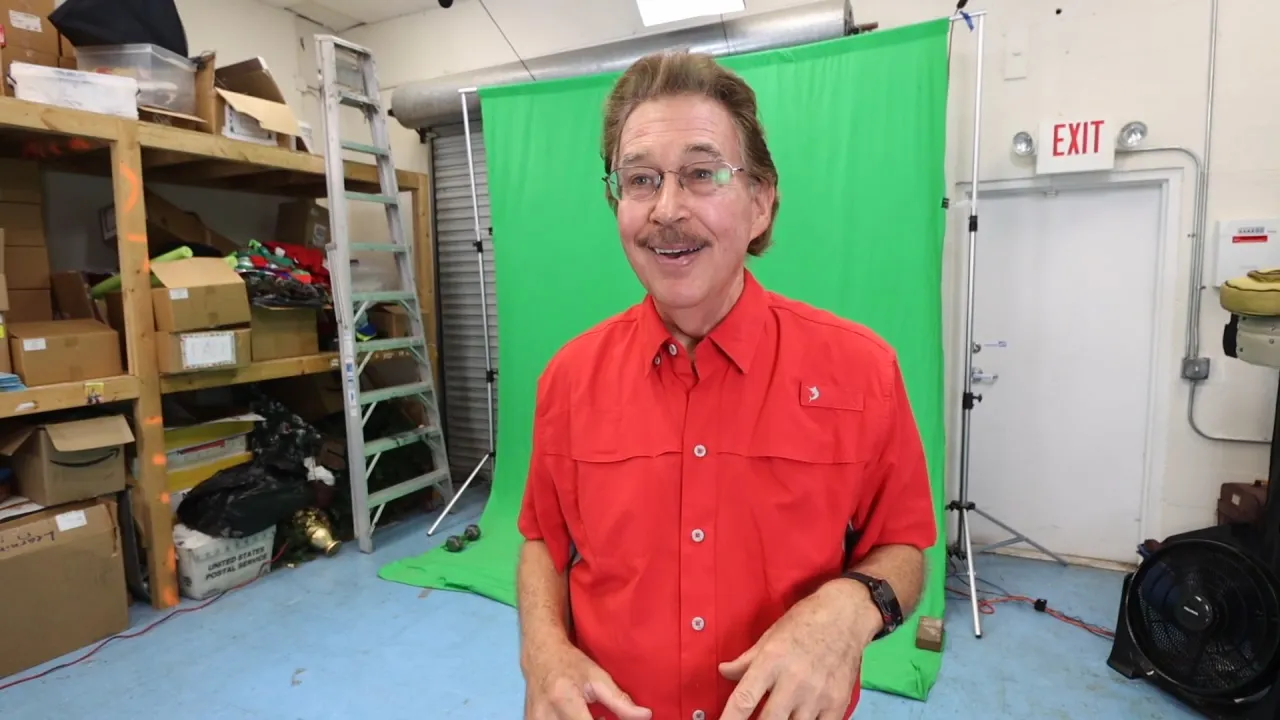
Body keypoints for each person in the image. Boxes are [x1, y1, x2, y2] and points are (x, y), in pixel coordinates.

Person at [515, 50, 937, 720]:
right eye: (641, 179)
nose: (667, 209)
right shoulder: (568, 379)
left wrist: (849, 607)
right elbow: (544, 539)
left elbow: (903, 547)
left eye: (702, 174)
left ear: (761, 202)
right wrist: (541, 649)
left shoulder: (862, 370)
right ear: (616, 202)